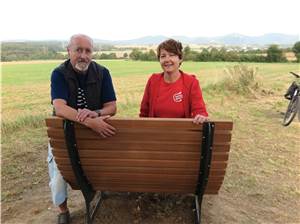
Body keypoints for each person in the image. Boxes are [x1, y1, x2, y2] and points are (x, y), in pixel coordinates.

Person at [48, 34, 117, 224]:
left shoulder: (102, 72)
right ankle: (63, 210)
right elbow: (59, 107)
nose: (83, 55)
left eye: (88, 51)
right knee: (58, 173)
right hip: (65, 133)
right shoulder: (59, 74)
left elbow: (112, 106)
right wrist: (88, 121)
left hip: (92, 134)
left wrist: (95, 113)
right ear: (69, 51)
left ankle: (101, 190)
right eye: (78, 50)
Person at [140, 39, 208, 122]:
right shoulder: (153, 80)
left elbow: (200, 110)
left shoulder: (191, 82)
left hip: (182, 134)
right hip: (156, 133)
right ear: (159, 60)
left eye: (171, 55)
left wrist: (201, 116)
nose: (167, 59)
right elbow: (144, 113)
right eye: (163, 56)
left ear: (180, 59)